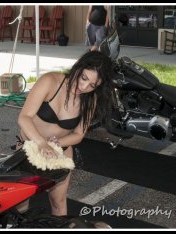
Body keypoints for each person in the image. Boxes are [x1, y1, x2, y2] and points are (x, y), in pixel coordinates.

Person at [16, 51, 113, 216]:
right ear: (78, 67)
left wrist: (55, 144)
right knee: (21, 202)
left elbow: (78, 134)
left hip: (60, 153)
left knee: (58, 202)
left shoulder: (90, 99)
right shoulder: (50, 81)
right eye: (83, 78)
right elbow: (24, 118)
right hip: (29, 147)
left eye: (92, 85)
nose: (84, 87)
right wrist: (42, 143)